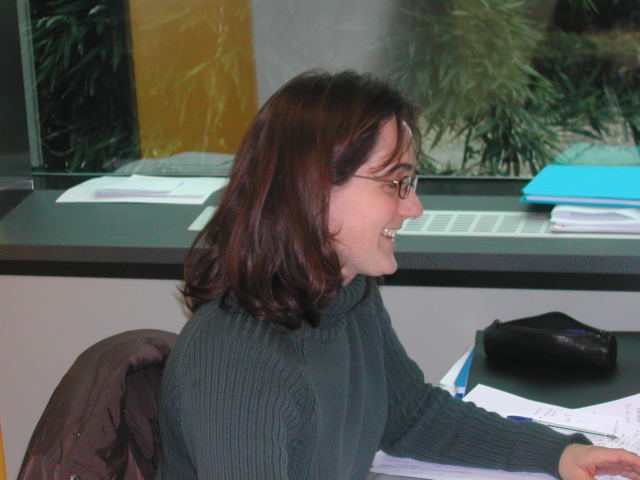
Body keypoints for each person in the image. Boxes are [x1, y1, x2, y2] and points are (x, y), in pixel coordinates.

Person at [156, 70, 640, 480]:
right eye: (395, 183)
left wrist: (557, 453)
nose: (413, 207)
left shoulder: (347, 296)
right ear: (312, 188)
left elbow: (410, 416)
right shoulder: (236, 362)